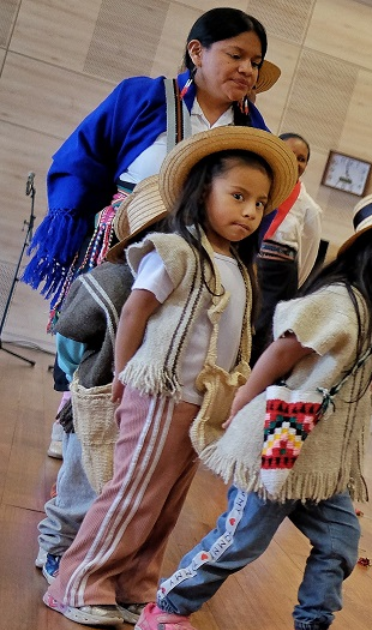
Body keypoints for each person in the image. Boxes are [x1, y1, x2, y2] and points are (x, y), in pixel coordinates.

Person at [138, 190, 372, 630]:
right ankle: (169, 607)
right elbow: (280, 351)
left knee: (339, 541)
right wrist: (242, 400)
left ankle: (313, 622)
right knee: (241, 540)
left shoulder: (371, 311)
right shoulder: (338, 302)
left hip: (321, 466)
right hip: (281, 447)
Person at [42, 127, 297, 627]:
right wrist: (123, 373)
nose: (249, 212)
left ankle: (133, 584)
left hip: (199, 403)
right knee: (131, 493)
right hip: (157, 393)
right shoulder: (175, 249)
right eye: (238, 196)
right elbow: (136, 310)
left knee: (165, 503)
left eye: (259, 203)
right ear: (204, 192)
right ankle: (76, 583)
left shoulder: (237, 266)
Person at [25, 5, 273, 509]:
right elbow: (85, 153)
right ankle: (74, 411)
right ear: (196, 51)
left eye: (256, 60)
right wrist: (73, 214)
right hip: (122, 243)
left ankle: (114, 477)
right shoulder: (142, 97)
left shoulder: (252, 130)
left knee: (152, 363)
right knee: (94, 338)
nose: (248, 69)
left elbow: (254, 204)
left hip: (190, 263)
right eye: (237, 55)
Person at [35, 177, 168, 584]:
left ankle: (94, 556)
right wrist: (85, 380)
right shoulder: (107, 280)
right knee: (79, 480)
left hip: (142, 407)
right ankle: (54, 546)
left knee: (113, 487)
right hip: (95, 400)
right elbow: (70, 339)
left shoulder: (174, 283)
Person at [251, 131, 324, 362]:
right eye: (290, 154)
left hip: (279, 279)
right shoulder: (253, 188)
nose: (296, 162)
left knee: (262, 331)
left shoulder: (309, 208)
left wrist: (292, 288)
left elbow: (308, 256)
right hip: (248, 262)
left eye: (302, 159)